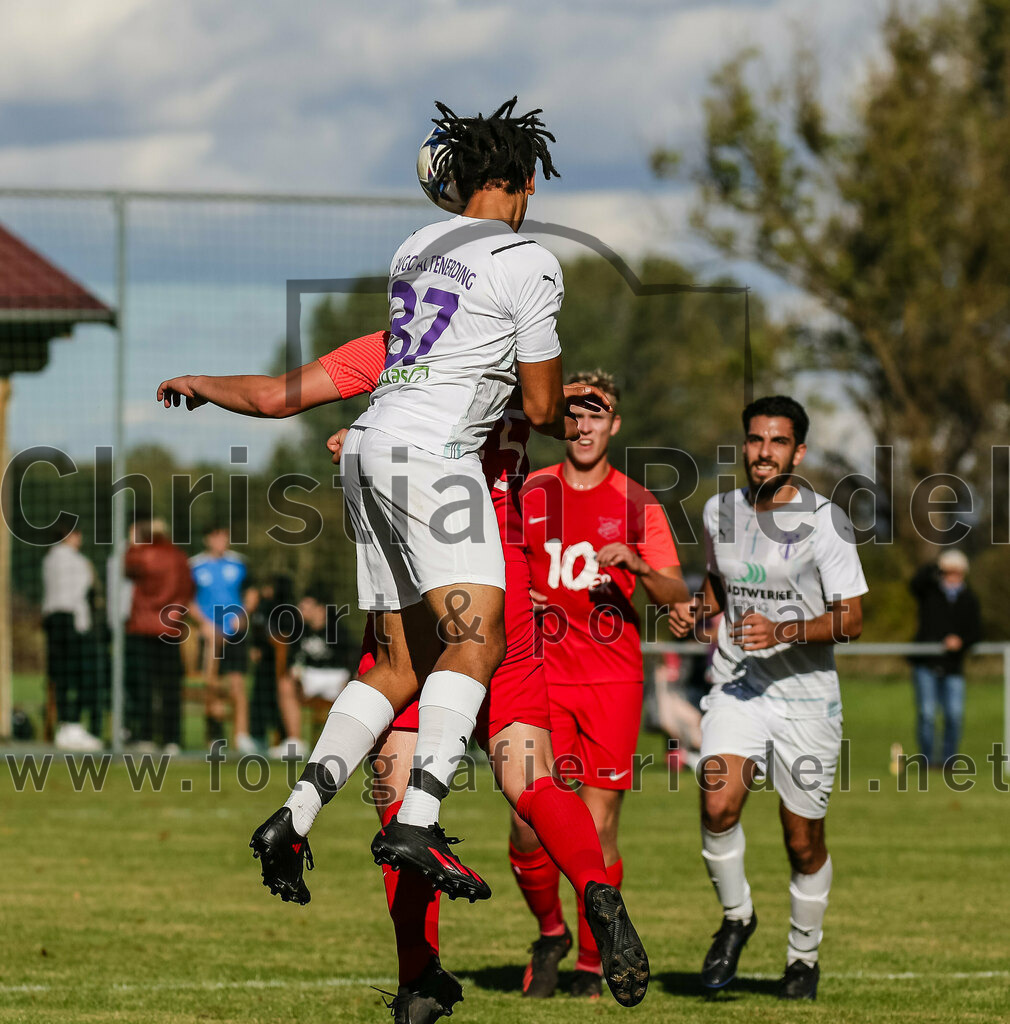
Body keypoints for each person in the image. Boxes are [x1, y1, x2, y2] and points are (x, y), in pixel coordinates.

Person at [158, 328, 652, 1013]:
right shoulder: (515, 342)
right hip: (494, 572)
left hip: (416, 569)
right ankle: (596, 886)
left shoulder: (403, 336)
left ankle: (417, 975)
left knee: (395, 791)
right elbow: (546, 408)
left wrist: (201, 382)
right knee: (528, 778)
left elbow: (276, 397)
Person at [669, 395, 867, 1001]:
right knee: (717, 800)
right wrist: (696, 611)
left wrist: (783, 631)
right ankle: (736, 918)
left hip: (808, 699)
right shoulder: (719, 512)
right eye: (755, 440)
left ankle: (802, 957)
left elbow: (853, 619)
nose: (763, 452)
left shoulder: (825, 520)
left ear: (798, 451)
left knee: (801, 838)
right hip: (739, 686)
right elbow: (719, 585)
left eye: (778, 442)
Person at [514, 370, 685, 998]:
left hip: (613, 680)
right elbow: (489, 564)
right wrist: (515, 594)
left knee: (599, 823)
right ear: (560, 422)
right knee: (529, 823)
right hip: (539, 675)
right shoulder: (529, 492)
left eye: (596, 413)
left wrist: (639, 565)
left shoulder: (638, 504)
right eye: (574, 414)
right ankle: (550, 930)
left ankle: (593, 960)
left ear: (615, 424)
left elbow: (676, 593)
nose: (583, 425)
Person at [124, 518, 194, 751]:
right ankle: (172, 738)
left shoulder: (141, 554)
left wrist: (133, 544)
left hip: (143, 627)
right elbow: (187, 589)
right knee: (170, 686)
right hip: (171, 628)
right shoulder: (179, 557)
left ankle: (145, 735)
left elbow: (127, 569)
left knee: (144, 684)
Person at [189, 525, 257, 753]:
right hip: (209, 636)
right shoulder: (195, 566)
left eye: (224, 536)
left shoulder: (240, 563)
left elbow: (251, 593)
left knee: (237, 685)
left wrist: (243, 614)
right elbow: (187, 600)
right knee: (211, 686)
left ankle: (242, 736)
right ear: (207, 539)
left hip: (234, 634)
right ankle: (215, 738)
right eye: (216, 536)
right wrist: (204, 625)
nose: (221, 540)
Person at [909, 549, 980, 766]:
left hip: (953, 666)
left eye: (956, 572)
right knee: (927, 714)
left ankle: (949, 761)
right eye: (947, 572)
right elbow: (915, 583)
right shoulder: (929, 592)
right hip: (926, 664)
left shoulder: (970, 599)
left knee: (954, 715)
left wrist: (961, 642)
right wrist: (936, 565)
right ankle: (928, 761)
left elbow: (977, 632)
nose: (952, 577)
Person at [270, 587, 357, 760]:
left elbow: (355, 657)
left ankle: (349, 745)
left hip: (336, 678)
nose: (301, 610)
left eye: (306, 606)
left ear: (320, 608)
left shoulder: (338, 630)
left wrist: (349, 680)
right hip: (310, 677)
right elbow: (293, 662)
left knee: (357, 684)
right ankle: (295, 743)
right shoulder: (299, 631)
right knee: (285, 684)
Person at [41, 527, 103, 751]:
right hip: (72, 623)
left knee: (60, 676)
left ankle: (64, 726)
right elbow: (81, 594)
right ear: (69, 536)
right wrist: (83, 625)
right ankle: (74, 725)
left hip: (52, 620)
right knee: (80, 675)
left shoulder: (48, 559)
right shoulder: (79, 562)